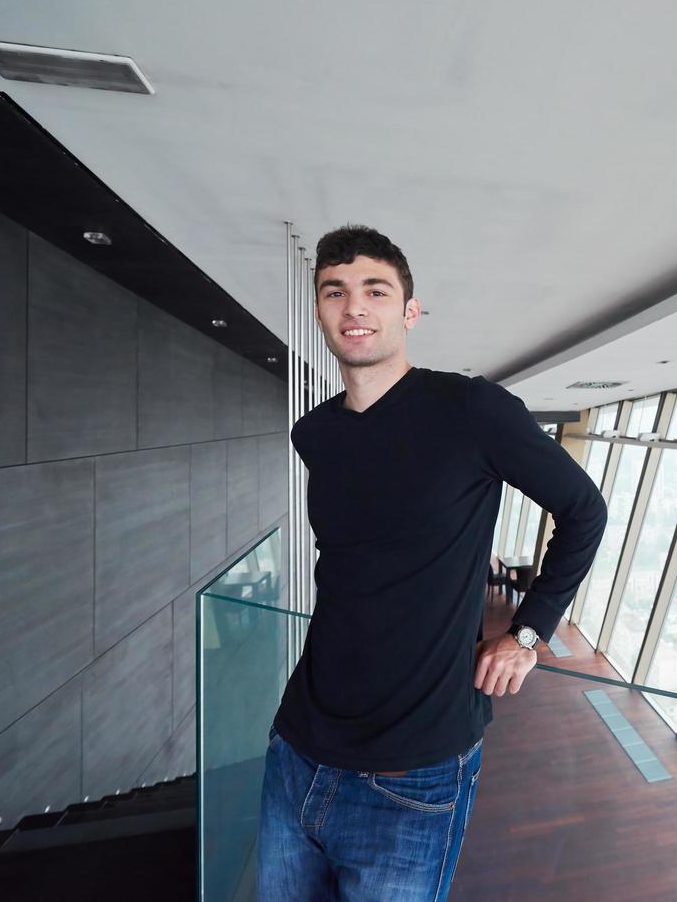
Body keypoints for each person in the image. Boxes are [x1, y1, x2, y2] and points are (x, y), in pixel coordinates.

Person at [257, 225, 607, 901]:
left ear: (408, 312)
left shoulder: (470, 409)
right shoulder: (317, 433)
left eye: (374, 291)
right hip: (299, 746)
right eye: (335, 291)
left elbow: (582, 511)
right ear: (321, 312)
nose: (353, 306)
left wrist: (527, 634)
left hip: (415, 767)